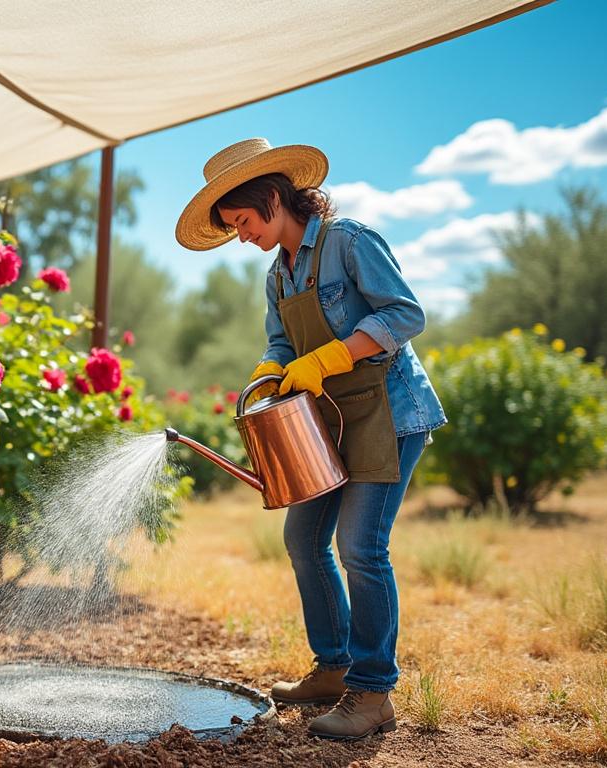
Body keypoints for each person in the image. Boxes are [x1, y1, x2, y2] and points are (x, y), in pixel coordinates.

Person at [174, 138, 447, 741]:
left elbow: (406, 315)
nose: (241, 236)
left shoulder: (349, 240)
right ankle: (334, 667)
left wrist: (329, 355)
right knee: (302, 535)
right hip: (330, 421)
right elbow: (280, 343)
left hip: (390, 415)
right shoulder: (278, 274)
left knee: (361, 548)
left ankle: (374, 694)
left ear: (272, 198)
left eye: (242, 222)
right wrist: (269, 368)